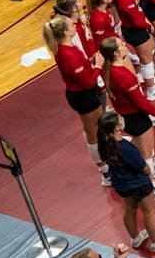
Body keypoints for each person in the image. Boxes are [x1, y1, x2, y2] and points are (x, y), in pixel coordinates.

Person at [99, 35, 155, 188]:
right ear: (115, 53)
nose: (124, 45)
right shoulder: (124, 76)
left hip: (125, 116)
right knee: (146, 153)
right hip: (136, 118)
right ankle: (153, 188)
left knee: (144, 149)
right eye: (121, 45)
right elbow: (140, 102)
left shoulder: (108, 71)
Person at [96, 111, 155, 251]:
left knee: (129, 209)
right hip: (138, 183)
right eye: (120, 119)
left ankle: (135, 238)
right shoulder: (125, 147)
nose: (123, 119)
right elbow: (141, 166)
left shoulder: (104, 143)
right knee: (149, 211)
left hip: (121, 184)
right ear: (116, 128)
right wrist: (150, 175)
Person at [41, 13, 108, 184]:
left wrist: (91, 64)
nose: (74, 26)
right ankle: (105, 172)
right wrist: (98, 66)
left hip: (82, 93)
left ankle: (107, 162)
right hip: (83, 96)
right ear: (65, 32)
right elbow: (86, 82)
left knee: (95, 129)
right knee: (94, 133)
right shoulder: (67, 53)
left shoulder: (67, 48)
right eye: (71, 25)